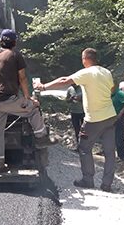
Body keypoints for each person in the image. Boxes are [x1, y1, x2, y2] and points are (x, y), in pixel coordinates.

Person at [34, 48, 117, 192]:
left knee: (84, 148)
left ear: (85, 59)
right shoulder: (106, 72)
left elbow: (64, 81)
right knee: (110, 152)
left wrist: (43, 86)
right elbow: (111, 89)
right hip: (110, 116)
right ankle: (107, 184)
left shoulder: (86, 72)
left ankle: (88, 179)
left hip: (93, 118)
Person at [0, 29, 58, 174]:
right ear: (15, 42)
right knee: (33, 109)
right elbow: (22, 78)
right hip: (7, 99)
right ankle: (41, 138)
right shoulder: (15, 55)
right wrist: (28, 98)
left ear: (0, 42)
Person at [111, 87, 124, 160]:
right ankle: (115, 155)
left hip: (118, 118)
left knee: (119, 137)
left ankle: (122, 156)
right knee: (112, 137)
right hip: (110, 118)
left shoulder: (119, 93)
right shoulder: (109, 94)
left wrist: (120, 113)